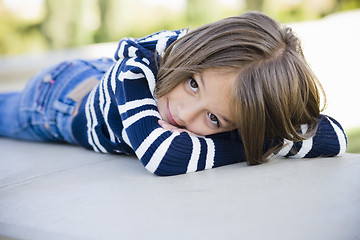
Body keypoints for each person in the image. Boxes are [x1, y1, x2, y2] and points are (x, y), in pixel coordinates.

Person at [0, 12, 347, 176]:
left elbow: (334, 137)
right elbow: (164, 156)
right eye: (194, 84)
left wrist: (264, 128)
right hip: (58, 99)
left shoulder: (209, 81)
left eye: (214, 118)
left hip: (112, 77)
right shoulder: (133, 72)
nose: (182, 113)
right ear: (193, 54)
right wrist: (259, 144)